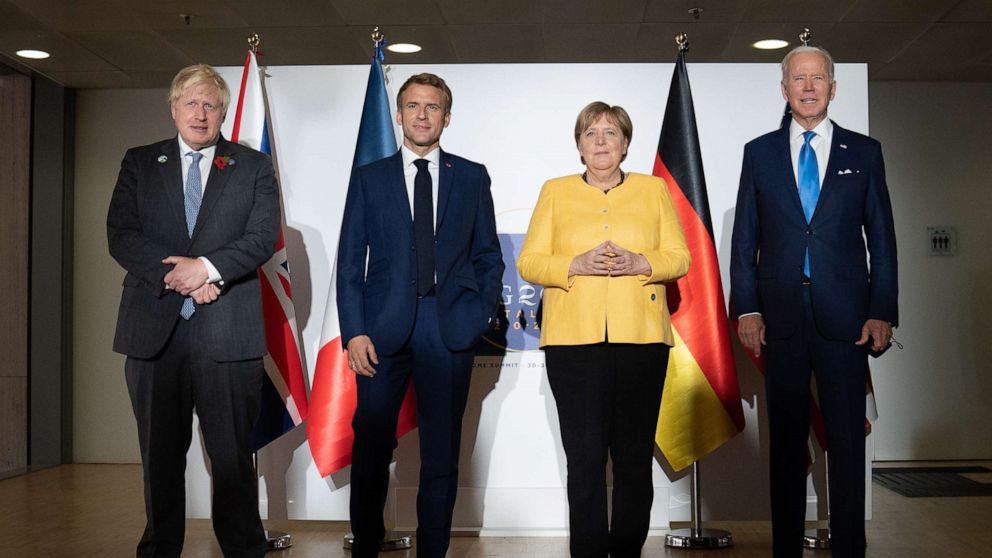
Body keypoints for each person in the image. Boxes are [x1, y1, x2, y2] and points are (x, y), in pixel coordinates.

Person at [730, 45, 898, 558]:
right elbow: (744, 238)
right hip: (779, 317)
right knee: (785, 442)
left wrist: (882, 310)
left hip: (846, 318)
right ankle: (785, 550)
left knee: (846, 440)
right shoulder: (759, 153)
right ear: (784, 90)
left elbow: (882, 238)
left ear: (832, 87)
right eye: (798, 79)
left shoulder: (863, 152)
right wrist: (747, 306)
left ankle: (849, 548)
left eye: (817, 78)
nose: (808, 87)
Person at [107, 64, 281, 557]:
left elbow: (262, 237)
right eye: (191, 103)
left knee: (232, 459)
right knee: (159, 458)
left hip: (228, 334)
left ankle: (243, 550)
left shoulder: (252, 166)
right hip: (154, 334)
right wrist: (178, 277)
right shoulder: (140, 162)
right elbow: (122, 234)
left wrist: (206, 270)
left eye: (210, 104)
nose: (200, 114)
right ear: (173, 109)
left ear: (223, 112)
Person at [337, 73, 504, 558]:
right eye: (413, 106)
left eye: (432, 107)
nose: (422, 115)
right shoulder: (370, 177)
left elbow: (488, 256)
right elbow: (350, 263)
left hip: (448, 328)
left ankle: (433, 552)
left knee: (441, 453)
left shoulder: (471, 176)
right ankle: (367, 546)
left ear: (447, 117)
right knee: (371, 446)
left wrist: (476, 314)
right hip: (380, 332)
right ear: (398, 115)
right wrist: (354, 332)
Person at [517, 102, 690, 558]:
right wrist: (573, 264)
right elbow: (529, 261)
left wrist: (642, 262)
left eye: (610, 132)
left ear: (625, 144)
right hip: (573, 345)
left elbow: (680, 257)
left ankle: (628, 550)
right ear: (578, 145)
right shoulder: (555, 191)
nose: (600, 141)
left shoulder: (653, 190)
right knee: (585, 458)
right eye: (590, 133)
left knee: (633, 458)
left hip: (642, 342)